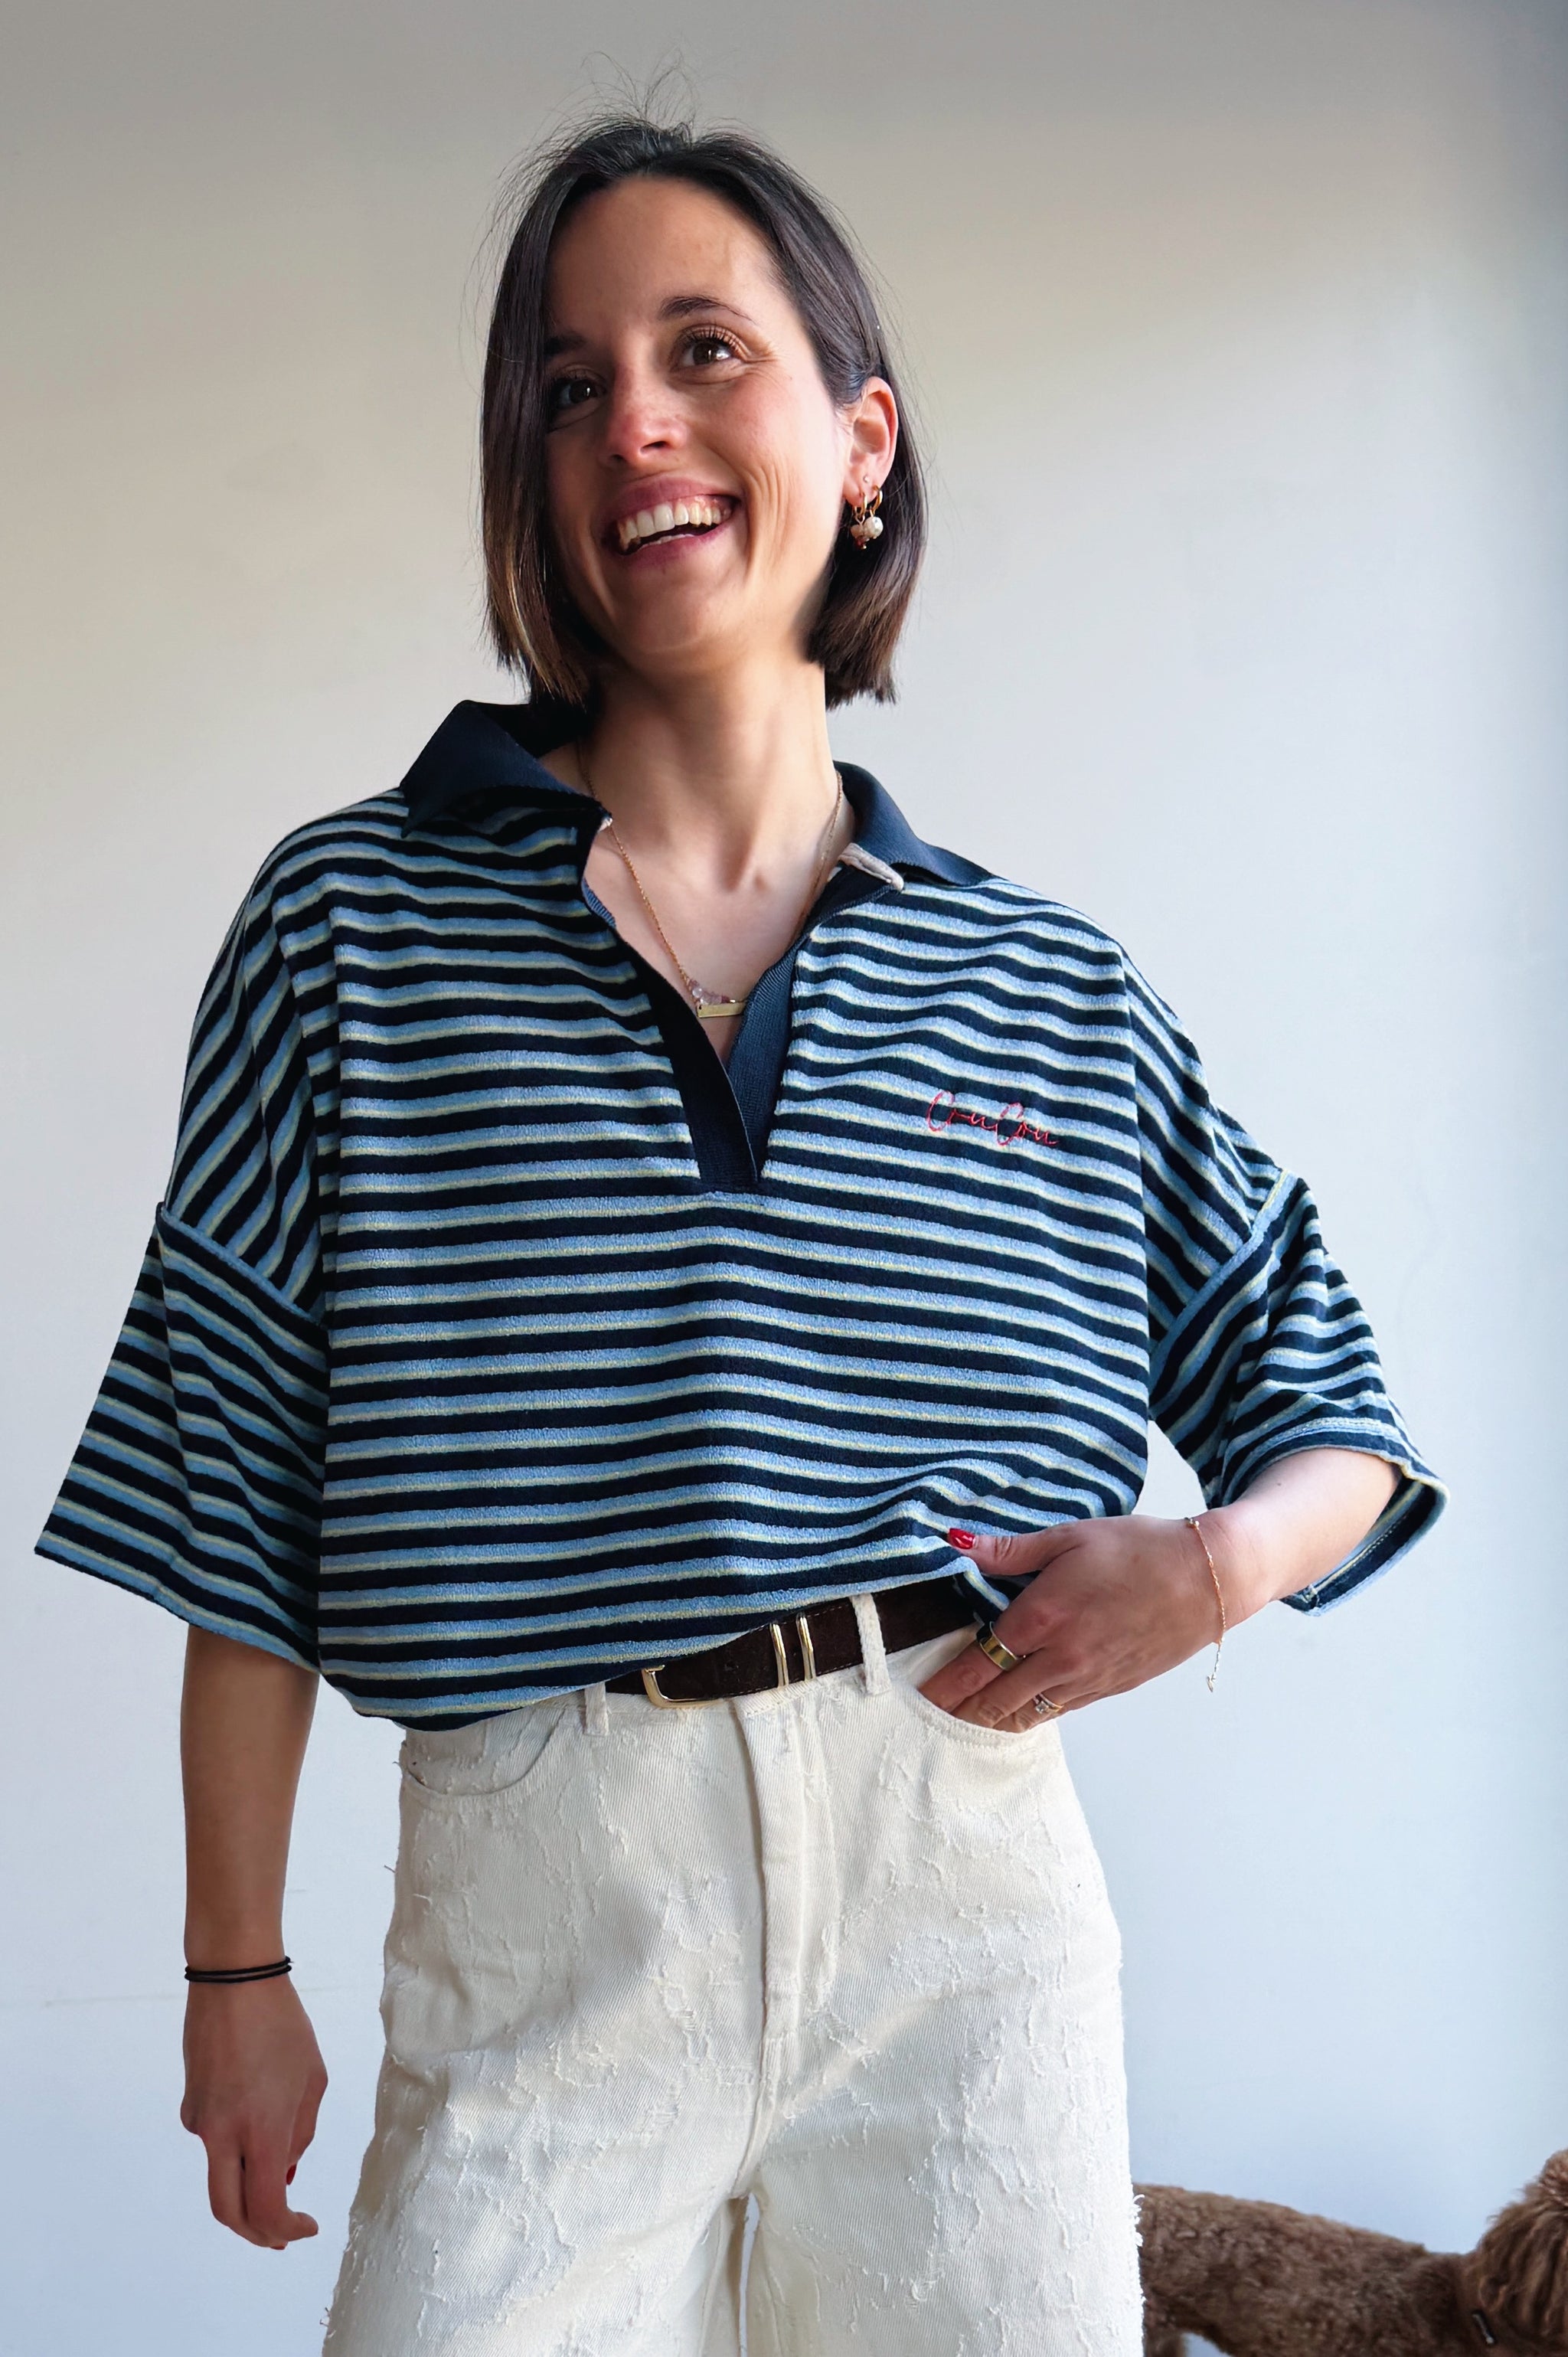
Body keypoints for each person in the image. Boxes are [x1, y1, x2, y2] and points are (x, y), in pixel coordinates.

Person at [38, 113, 1445, 2356]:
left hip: (962, 1907)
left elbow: (1333, 1403)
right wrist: (235, 1969)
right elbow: (236, 1500)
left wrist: (1210, 1568)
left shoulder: (1045, 991)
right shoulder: (349, 928)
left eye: (706, 351)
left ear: (861, 441)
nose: (637, 424)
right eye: (570, 384)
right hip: (544, 1896)